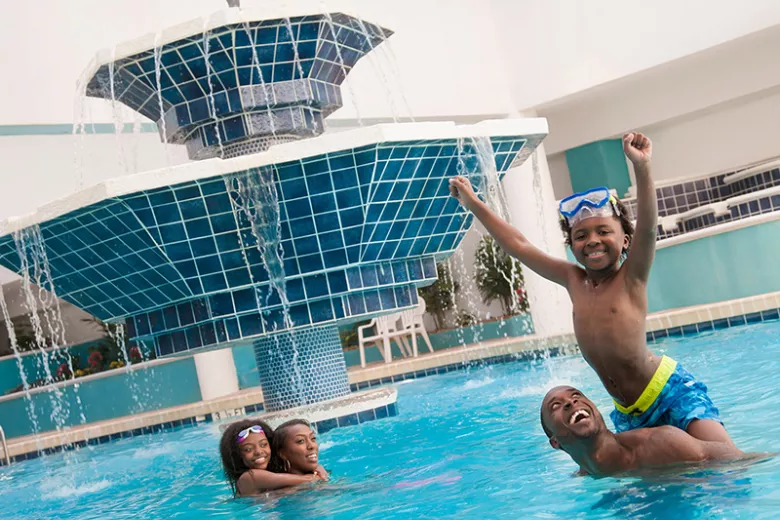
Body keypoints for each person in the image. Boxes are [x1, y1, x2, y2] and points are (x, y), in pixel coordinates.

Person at [449, 133, 732, 444]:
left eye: (603, 231)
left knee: (724, 456)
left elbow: (649, 227)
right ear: (571, 245)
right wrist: (474, 204)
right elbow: (518, 245)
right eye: (581, 235)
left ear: (625, 240)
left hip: (669, 391)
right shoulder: (574, 280)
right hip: (629, 412)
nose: (592, 240)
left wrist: (642, 167)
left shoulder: (630, 278)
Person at [540, 386, 742, 477]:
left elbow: (741, 460)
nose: (570, 401)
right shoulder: (584, 474)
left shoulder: (660, 443)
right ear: (555, 442)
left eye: (576, 395)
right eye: (555, 406)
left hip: (670, 391)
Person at [219, 418, 328, 497]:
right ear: (237, 455)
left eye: (263, 445)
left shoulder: (273, 476)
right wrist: (318, 472)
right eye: (248, 449)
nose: (258, 452)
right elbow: (307, 480)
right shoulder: (249, 477)